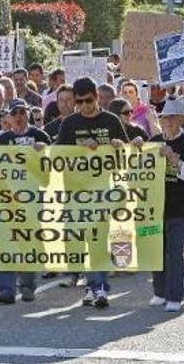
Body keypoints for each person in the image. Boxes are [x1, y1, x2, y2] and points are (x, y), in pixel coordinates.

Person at [55, 77, 129, 309]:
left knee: (98, 241)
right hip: (75, 192)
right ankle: (90, 285)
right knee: (80, 241)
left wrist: (117, 146)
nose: (84, 106)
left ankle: (100, 288)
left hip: (102, 192)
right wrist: (79, 149)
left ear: (97, 97)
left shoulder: (111, 120)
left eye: (88, 101)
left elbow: (126, 155)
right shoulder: (69, 123)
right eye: (79, 102)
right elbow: (58, 156)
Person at [0, 99, 51, 304]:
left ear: (28, 115)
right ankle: (6, 289)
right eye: (14, 113)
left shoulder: (39, 136)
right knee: (6, 242)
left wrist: (45, 151)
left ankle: (27, 286)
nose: (18, 116)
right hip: (7, 200)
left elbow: (52, 169)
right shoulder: (2, 139)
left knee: (28, 242)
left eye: (22, 112)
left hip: (32, 199)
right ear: (7, 117)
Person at [149, 99, 184, 312]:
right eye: (164, 117)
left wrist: (174, 161)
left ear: (180, 120)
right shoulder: (154, 141)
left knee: (175, 251)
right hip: (154, 207)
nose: (168, 121)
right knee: (156, 251)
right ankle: (159, 292)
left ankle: (174, 296)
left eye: (172, 117)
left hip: (179, 206)